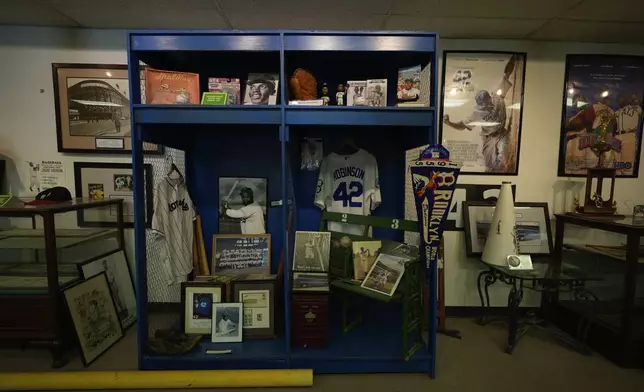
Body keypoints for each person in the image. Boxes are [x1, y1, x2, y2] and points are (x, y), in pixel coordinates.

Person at [443, 55, 517, 172]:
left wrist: (514, 57)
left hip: (502, 134)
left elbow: (506, 74)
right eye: (481, 105)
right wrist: (449, 122)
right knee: (490, 166)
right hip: (488, 138)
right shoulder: (477, 113)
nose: (484, 107)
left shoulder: (498, 97)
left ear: (489, 99)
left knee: (503, 163)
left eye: (485, 104)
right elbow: (462, 126)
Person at [612, 94, 642, 174]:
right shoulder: (617, 112)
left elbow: (641, 105)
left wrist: (636, 99)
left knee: (628, 166)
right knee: (616, 166)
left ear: (626, 99)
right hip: (617, 136)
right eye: (619, 99)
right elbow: (613, 126)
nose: (620, 100)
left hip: (629, 135)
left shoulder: (636, 108)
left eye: (622, 98)